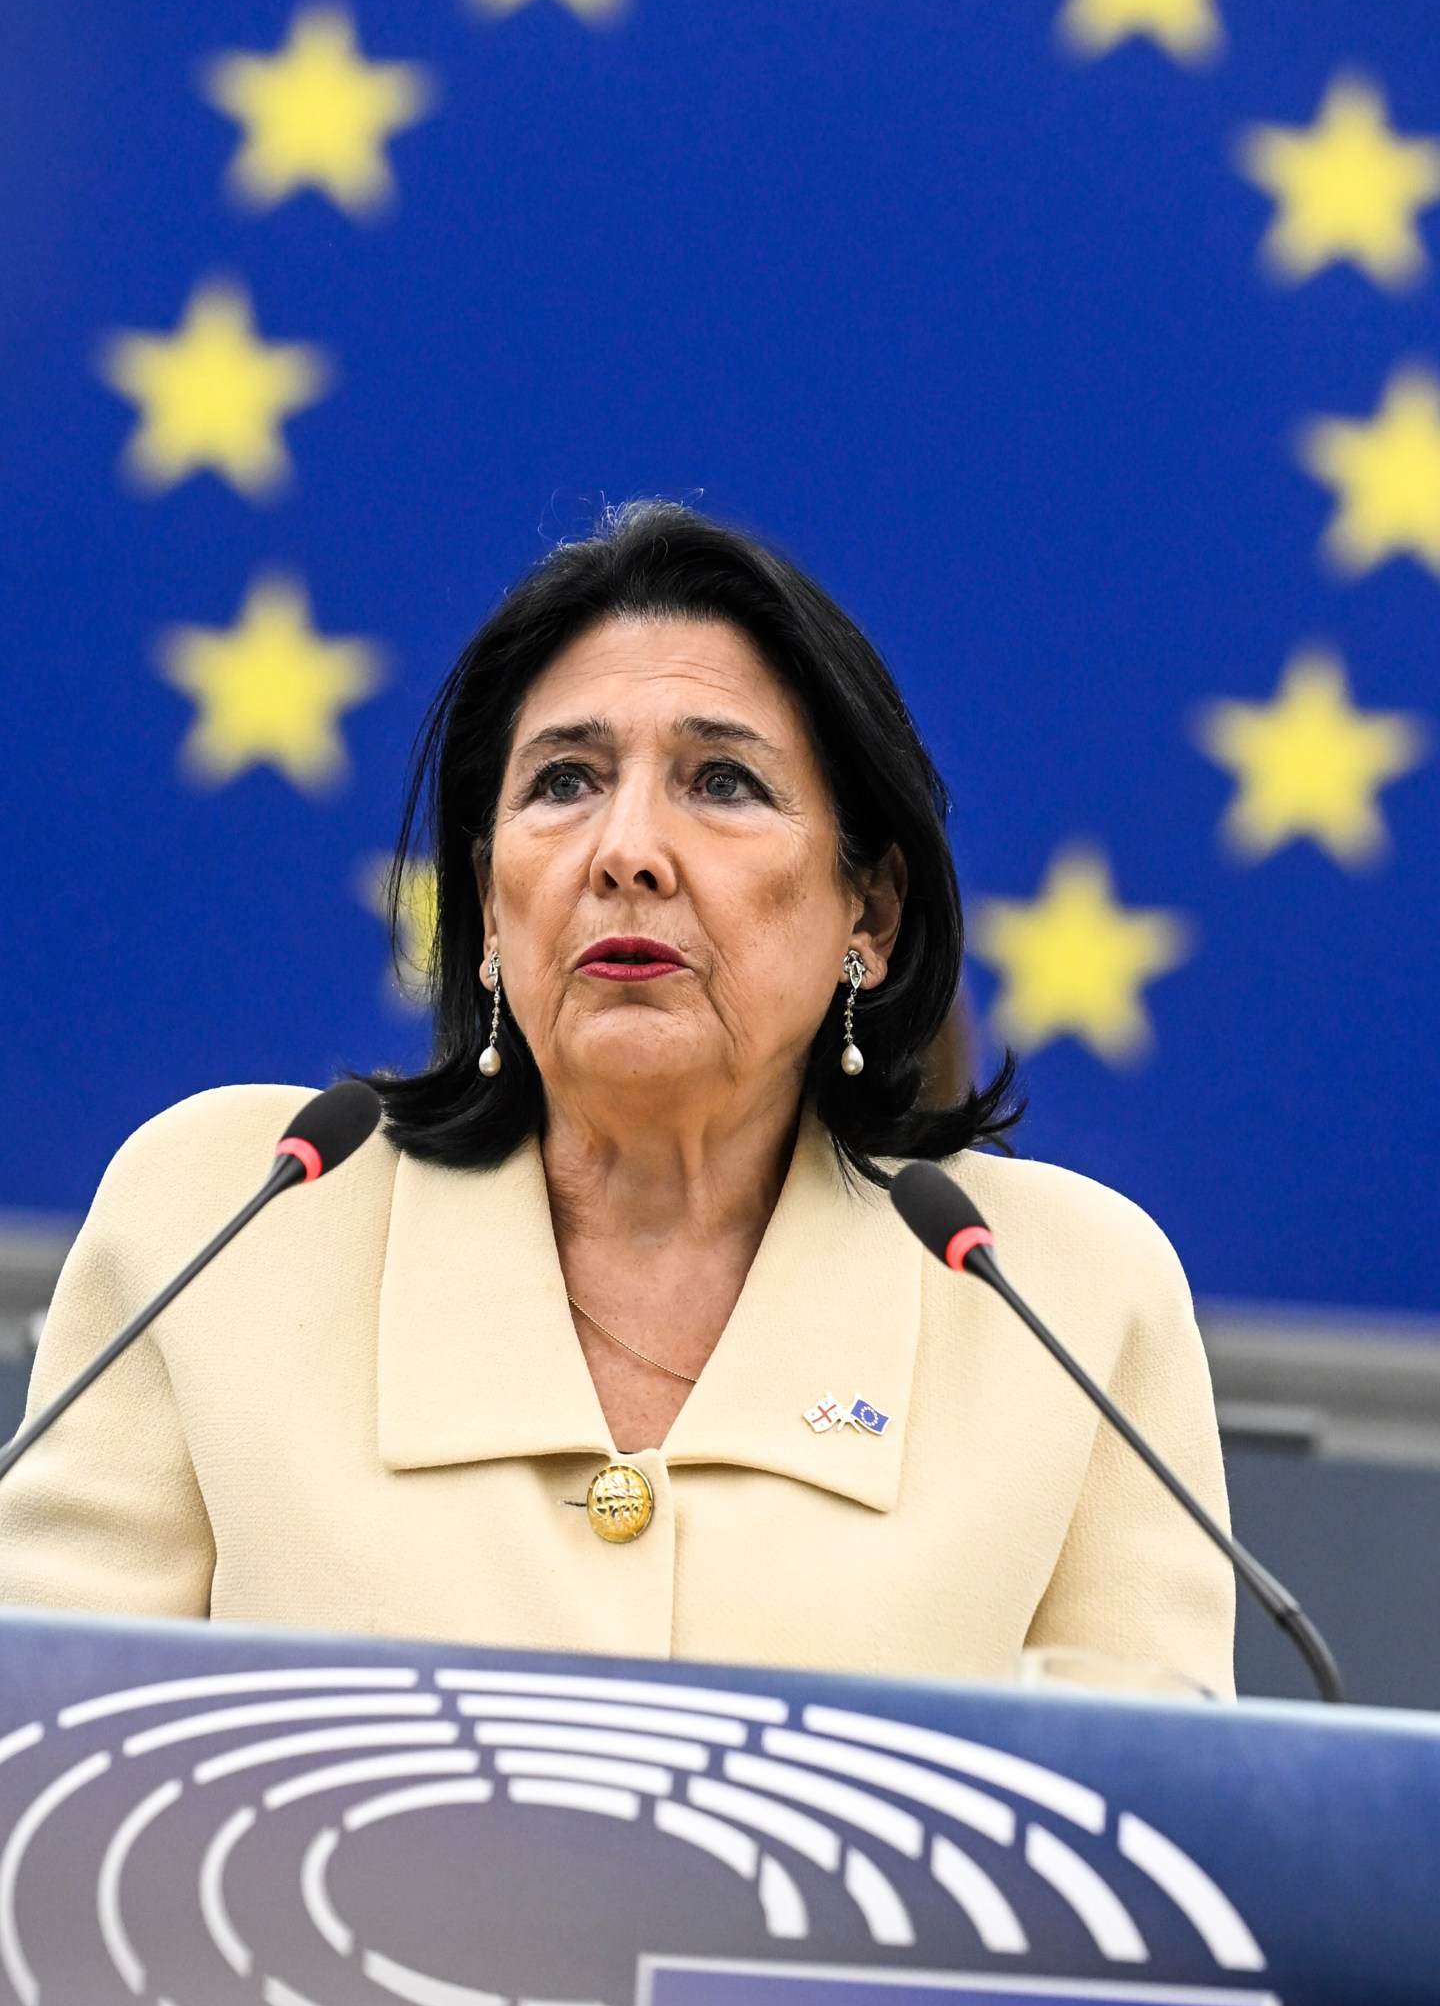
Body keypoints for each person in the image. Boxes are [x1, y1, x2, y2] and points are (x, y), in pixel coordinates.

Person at [0, 503, 1233, 1688]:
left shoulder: (1072, 1302)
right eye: (565, 782)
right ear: (487, 904)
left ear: (872, 912)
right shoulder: (224, 1217)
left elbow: (1149, 1861)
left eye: (723, 783)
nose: (625, 849)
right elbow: (32, 1787)